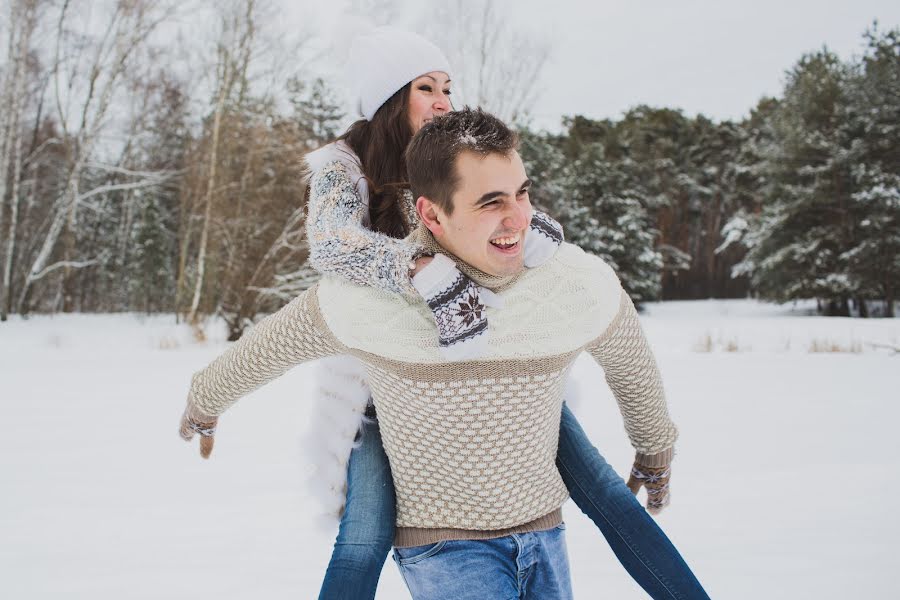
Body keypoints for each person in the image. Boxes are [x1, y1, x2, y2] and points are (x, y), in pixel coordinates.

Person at [180, 105, 710, 599]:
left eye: (521, 193)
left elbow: (627, 352)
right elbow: (267, 347)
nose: (519, 218)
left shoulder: (567, 282)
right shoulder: (369, 303)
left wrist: (654, 446)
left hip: (545, 533)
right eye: (491, 202)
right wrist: (205, 400)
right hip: (445, 550)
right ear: (432, 215)